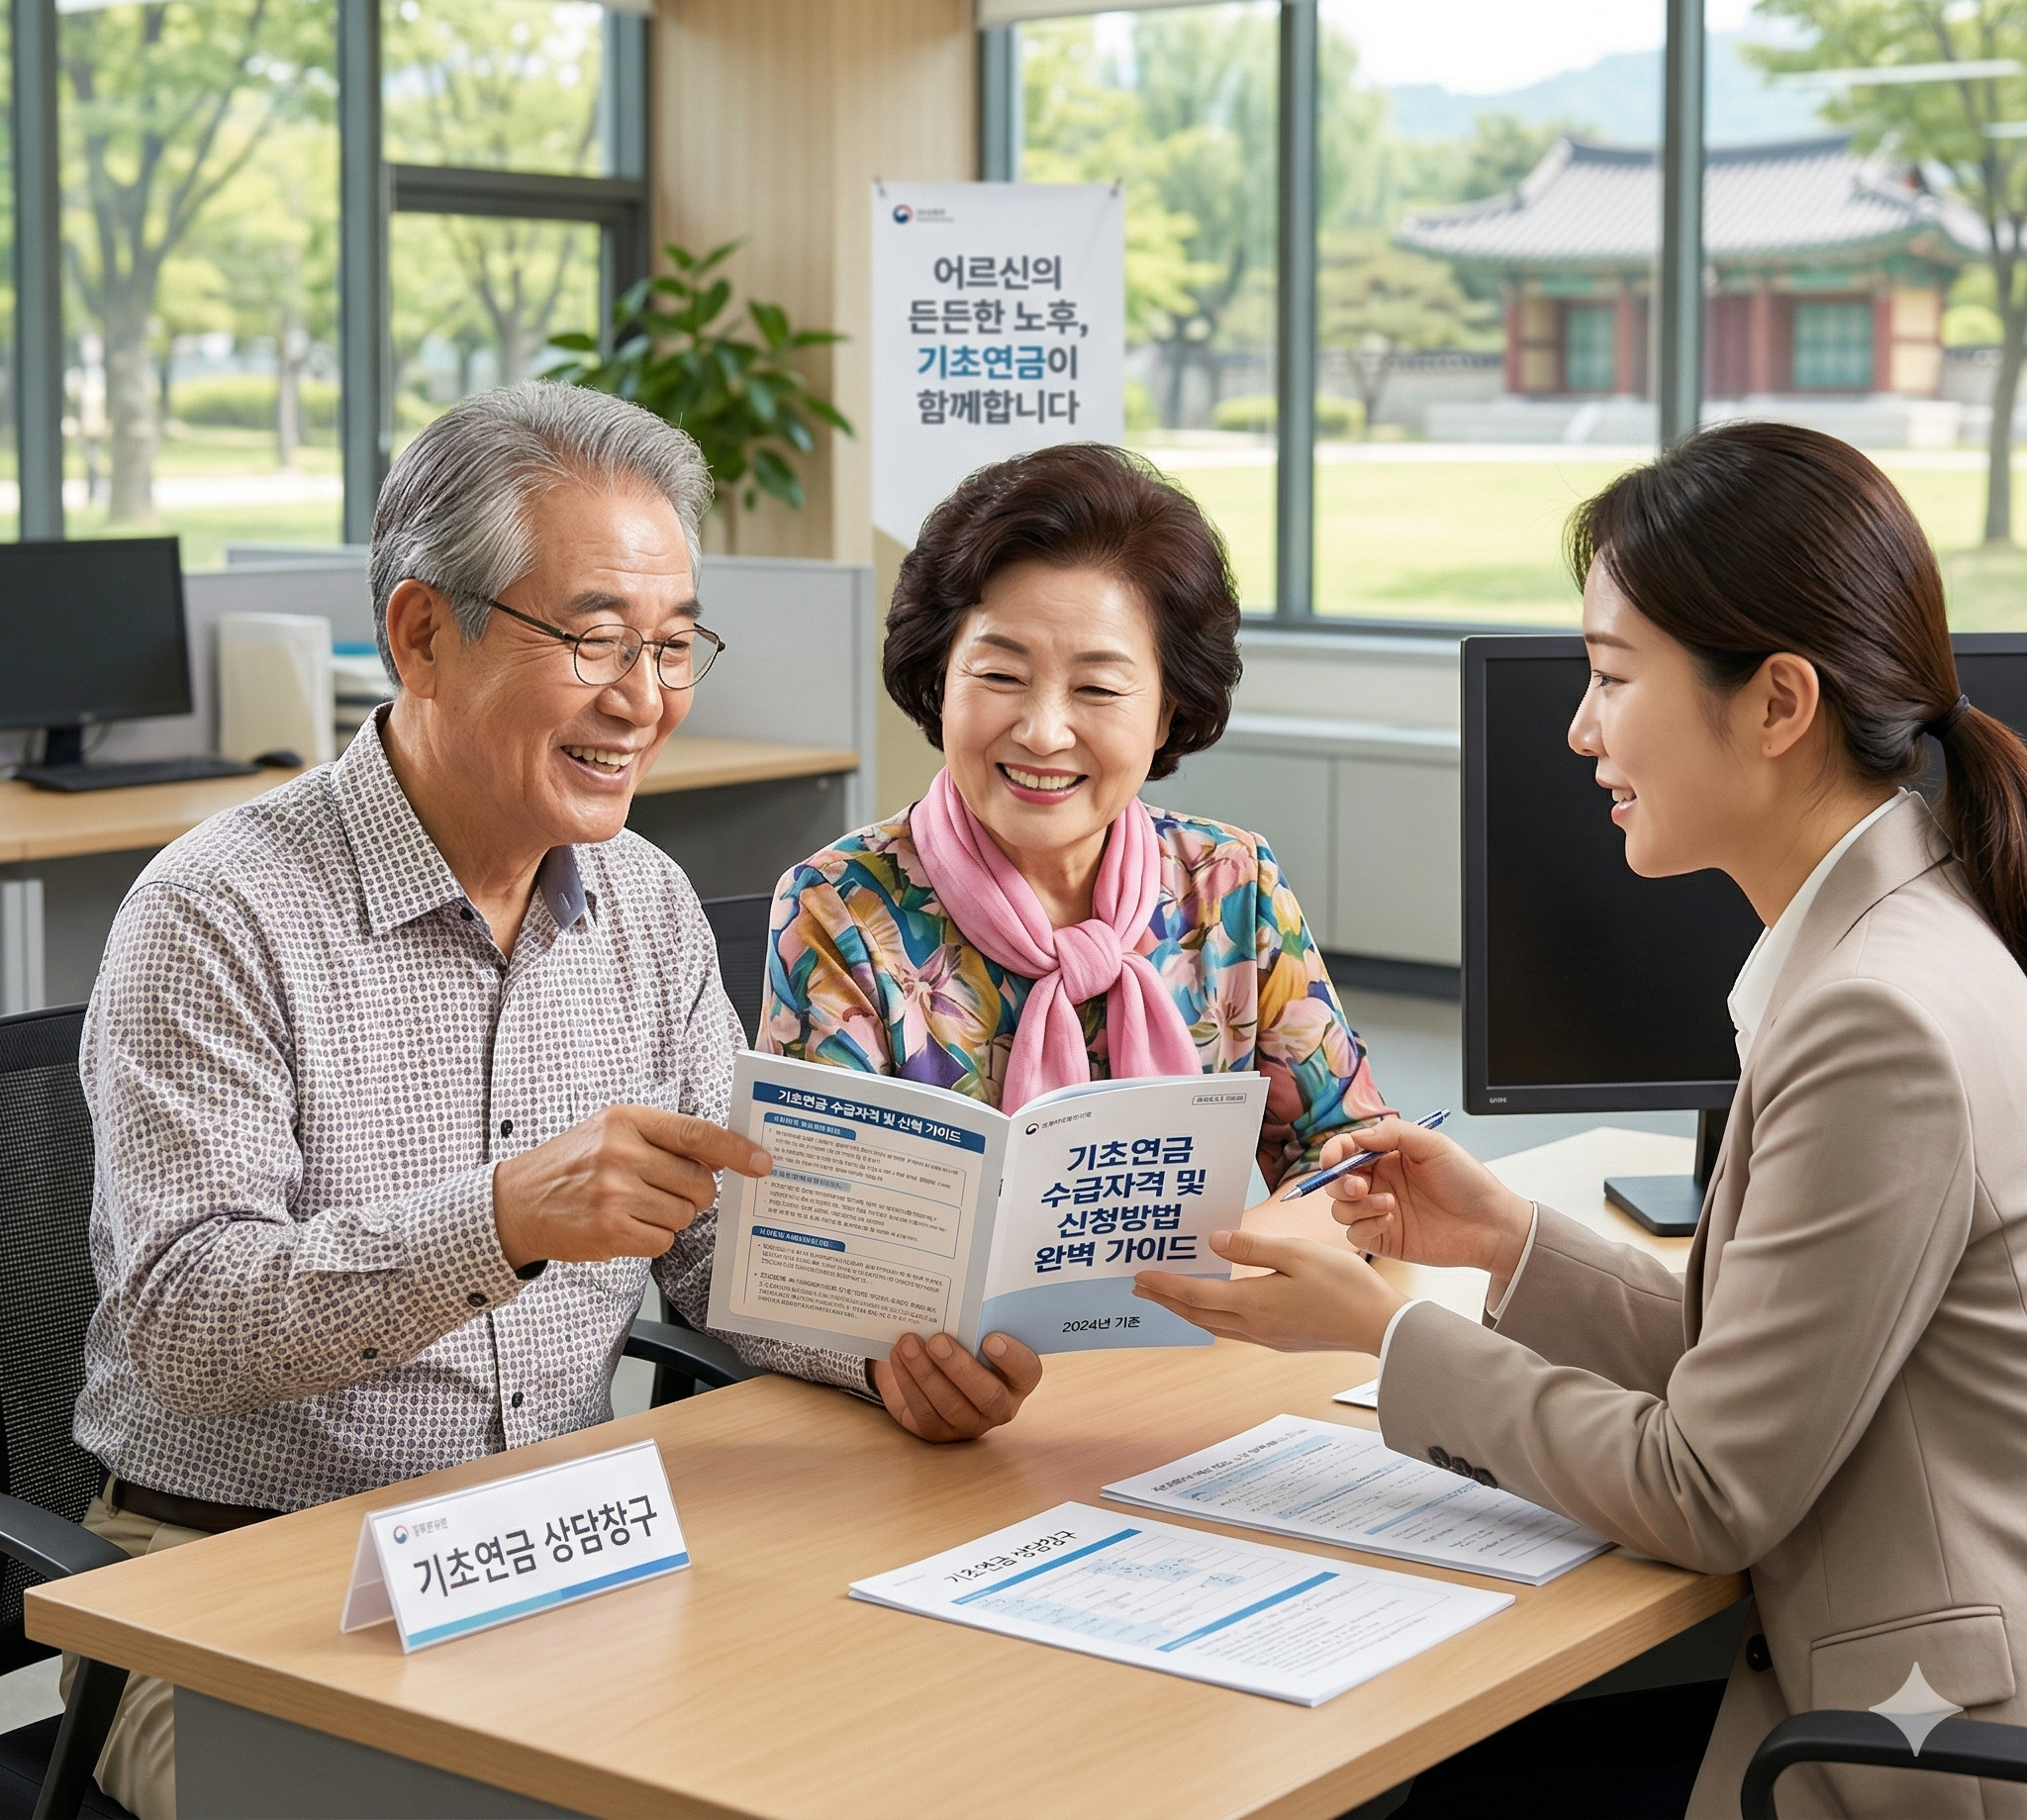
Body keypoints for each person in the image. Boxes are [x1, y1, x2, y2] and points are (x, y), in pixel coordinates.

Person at [63, 381, 976, 1820]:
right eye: (597, 638)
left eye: (675, 646)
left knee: (874, 1748)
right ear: (424, 633)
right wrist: (499, 1219)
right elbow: (183, 1321)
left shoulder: (649, 903)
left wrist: (887, 1353)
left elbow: (709, 1254)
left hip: (558, 1554)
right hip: (237, 1590)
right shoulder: (219, 909)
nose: (646, 697)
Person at [1134, 422, 2027, 1820]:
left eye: (1613, 678)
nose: (1580, 728)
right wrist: (1507, 1241)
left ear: (1780, 702)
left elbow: (1708, 1488)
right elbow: (1771, 1381)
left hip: (1902, 1750)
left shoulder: (1879, 1021)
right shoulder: (1909, 932)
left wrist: (1383, 1333)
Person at [761, 442, 1393, 1442]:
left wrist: (1267, 1241)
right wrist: (886, 1358)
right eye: (1000, 673)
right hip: (950, 1424)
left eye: (1097, 689)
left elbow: (1343, 1152)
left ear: (1167, 709)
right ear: (939, 680)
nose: (1042, 731)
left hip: (1188, 1392)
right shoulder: (839, 905)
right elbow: (816, 1248)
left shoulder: (1228, 884)